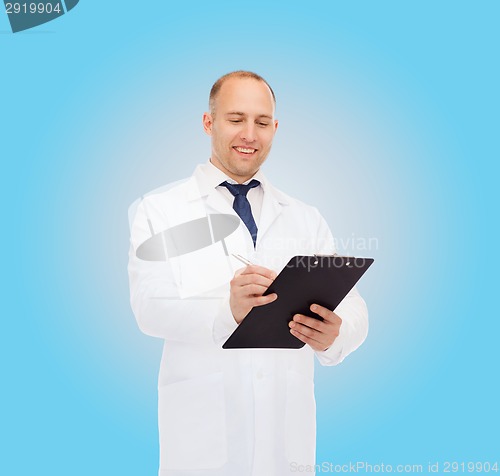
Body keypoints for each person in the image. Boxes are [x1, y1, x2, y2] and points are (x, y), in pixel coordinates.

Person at [128, 71, 368, 476]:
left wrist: (336, 334)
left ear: (275, 129)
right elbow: (149, 306)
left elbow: (354, 305)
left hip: (286, 447)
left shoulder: (305, 218)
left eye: (261, 122)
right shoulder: (160, 209)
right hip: (202, 445)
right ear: (209, 123)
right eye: (235, 119)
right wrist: (228, 311)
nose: (249, 134)